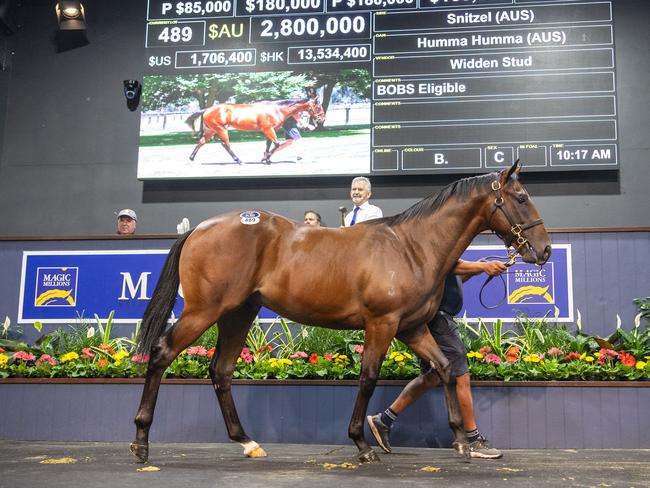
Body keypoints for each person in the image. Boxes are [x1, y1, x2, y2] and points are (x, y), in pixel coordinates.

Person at [367, 259, 508, 459]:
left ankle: (384, 420)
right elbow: (449, 265)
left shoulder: (453, 248)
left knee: (432, 376)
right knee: (461, 377)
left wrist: (478, 269)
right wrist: (483, 267)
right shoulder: (447, 247)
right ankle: (474, 440)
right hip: (439, 320)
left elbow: (452, 277)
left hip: (434, 319)